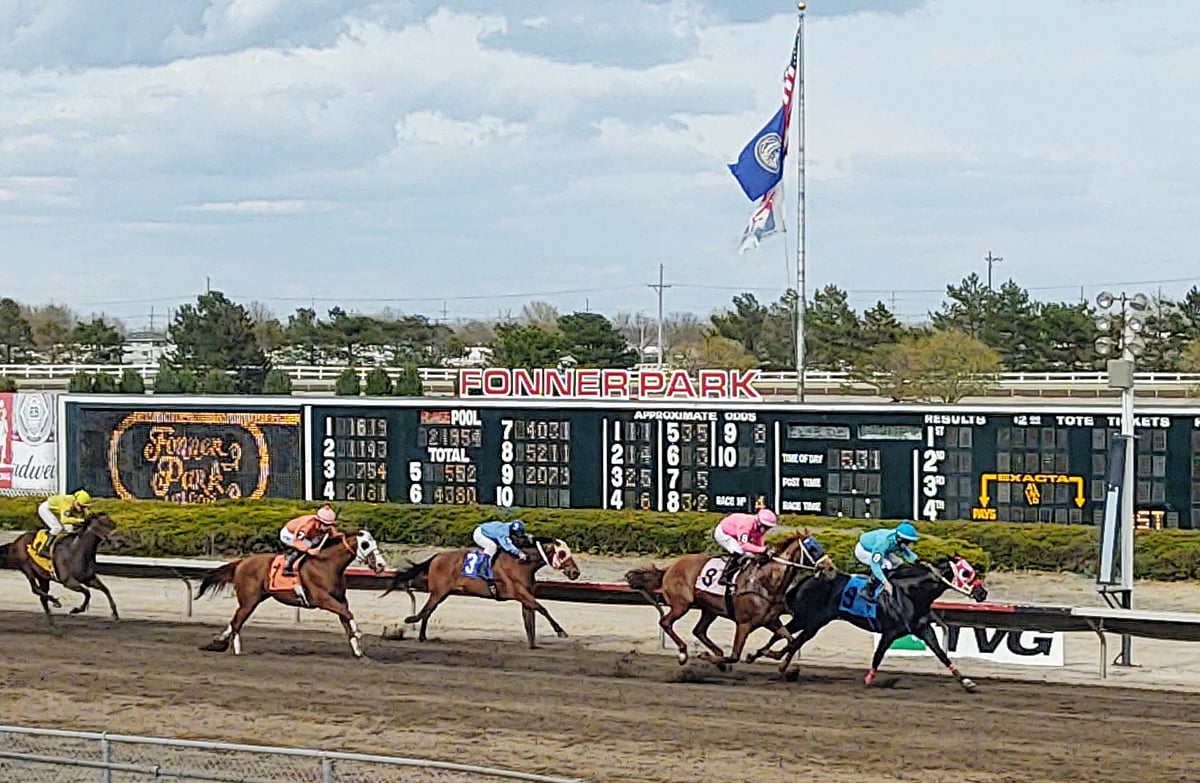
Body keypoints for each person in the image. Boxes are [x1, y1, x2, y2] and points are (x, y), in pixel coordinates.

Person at [855, 520, 920, 601]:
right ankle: (867, 589)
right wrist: (885, 582)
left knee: (899, 562)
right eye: (907, 542)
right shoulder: (883, 542)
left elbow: (906, 551)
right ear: (899, 539)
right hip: (864, 550)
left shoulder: (899, 539)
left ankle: (893, 583)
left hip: (883, 551)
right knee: (886, 565)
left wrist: (917, 561)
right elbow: (875, 564)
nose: (909, 544)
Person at [713, 507, 778, 587]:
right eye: (766, 527)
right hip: (723, 533)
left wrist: (764, 551)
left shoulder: (759, 528)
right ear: (759, 523)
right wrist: (762, 549)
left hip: (735, 534)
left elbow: (759, 545)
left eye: (769, 527)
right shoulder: (747, 524)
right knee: (739, 553)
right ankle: (725, 577)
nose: (767, 529)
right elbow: (743, 545)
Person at [473, 519, 529, 598]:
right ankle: (483, 568)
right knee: (492, 547)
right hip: (480, 534)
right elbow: (507, 545)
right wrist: (519, 553)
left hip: (488, 532)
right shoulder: (503, 532)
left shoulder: (510, 526)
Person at [280, 505, 339, 576]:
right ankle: (288, 567)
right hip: (289, 534)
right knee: (307, 544)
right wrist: (309, 550)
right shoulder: (306, 526)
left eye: (330, 524)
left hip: (304, 536)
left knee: (315, 541)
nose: (328, 527)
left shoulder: (326, 526)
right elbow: (297, 541)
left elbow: (333, 534)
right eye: (325, 525)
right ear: (318, 521)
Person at [36, 489, 91, 557]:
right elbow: (64, 520)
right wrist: (79, 521)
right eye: (79, 505)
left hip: (57, 511)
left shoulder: (78, 505)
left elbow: (84, 516)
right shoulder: (67, 503)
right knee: (57, 528)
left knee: (69, 528)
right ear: (75, 500)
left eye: (83, 506)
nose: (80, 508)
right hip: (45, 509)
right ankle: (44, 549)